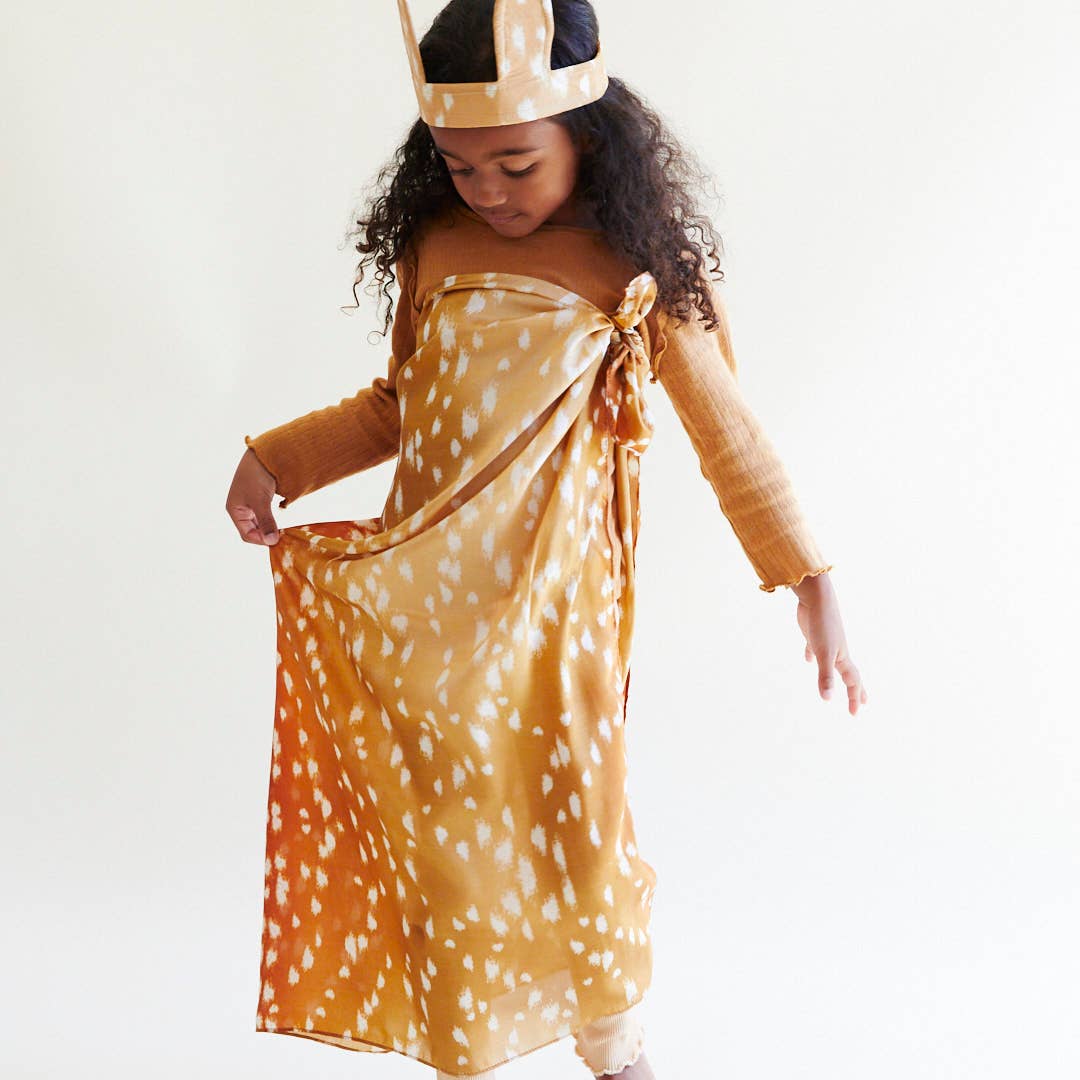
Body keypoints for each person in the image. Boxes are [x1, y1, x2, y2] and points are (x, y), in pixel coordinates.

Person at [225, 1, 868, 1076]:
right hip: (428, 604)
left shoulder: (638, 271)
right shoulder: (437, 246)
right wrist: (277, 459)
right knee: (446, 842)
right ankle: (463, 1045)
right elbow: (399, 403)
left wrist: (809, 575)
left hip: (559, 619)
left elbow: (729, 433)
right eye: (462, 168)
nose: (487, 192)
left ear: (590, 136)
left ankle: (615, 1051)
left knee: (578, 832)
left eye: (515, 166)